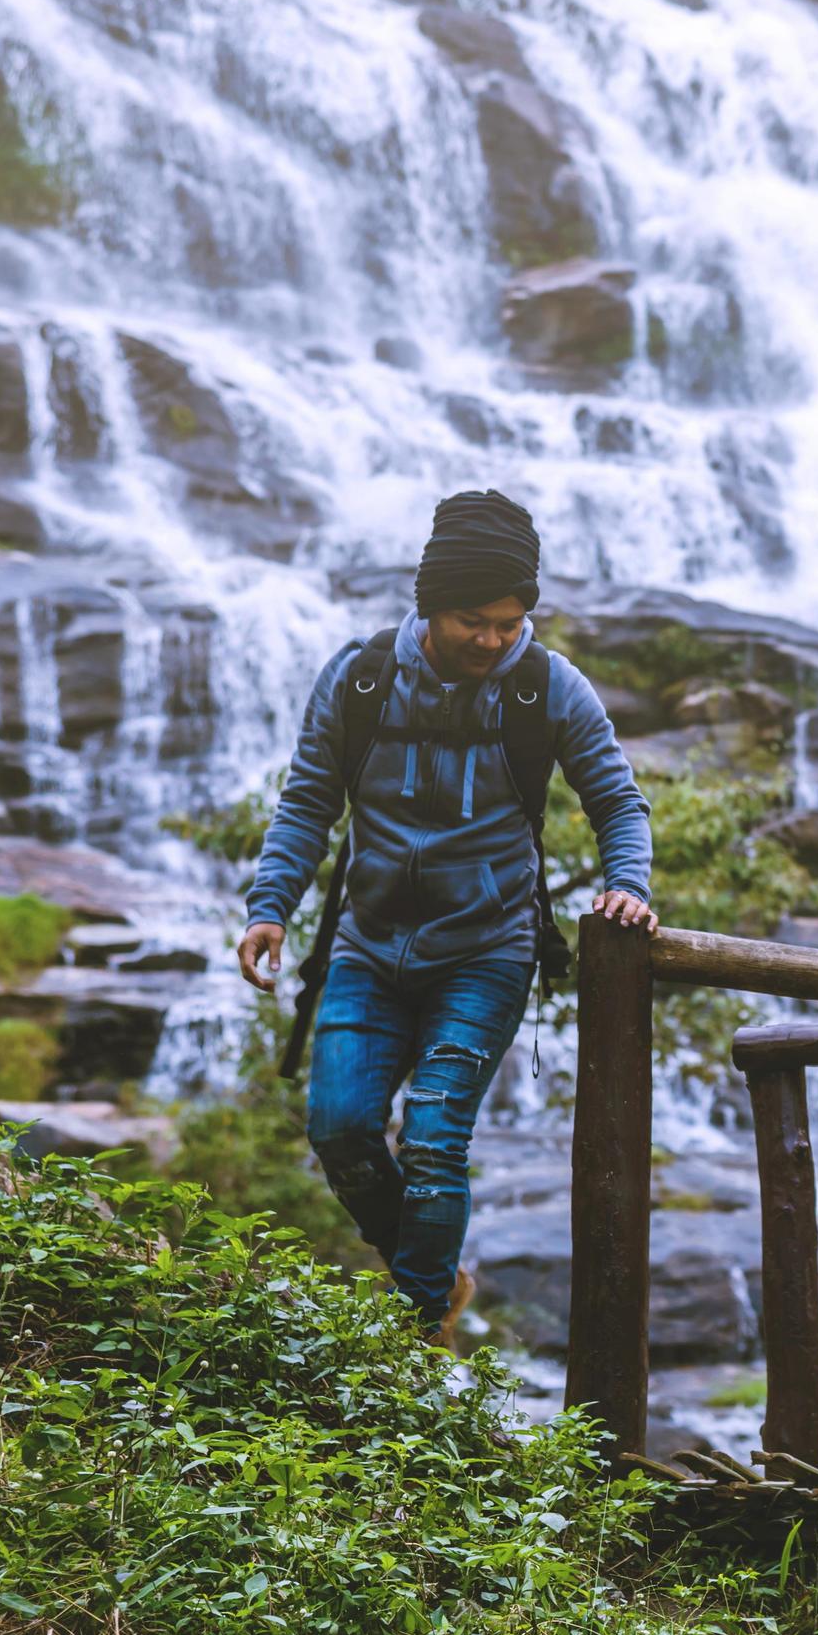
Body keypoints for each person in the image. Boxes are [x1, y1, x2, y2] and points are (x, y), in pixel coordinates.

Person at [235, 489, 656, 1341]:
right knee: (341, 1129)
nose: (496, 639)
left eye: (510, 621)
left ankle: (412, 1339)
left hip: (487, 954)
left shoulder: (547, 687)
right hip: (368, 949)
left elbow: (618, 801)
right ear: (430, 605)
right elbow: (308, 801)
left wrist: (629, 887)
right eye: (476, 620)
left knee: (433, 1138)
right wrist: (270, 906)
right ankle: (437, 1280)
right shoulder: (358, 679)